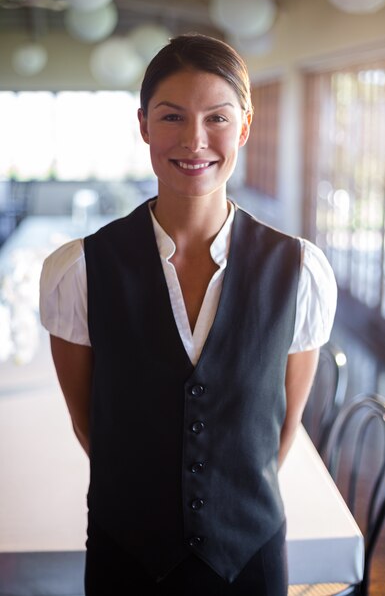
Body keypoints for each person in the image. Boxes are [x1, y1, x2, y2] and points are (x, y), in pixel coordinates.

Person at [39, 33, 337, 596]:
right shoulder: (79, 268)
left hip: (249, 555)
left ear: (244, 127)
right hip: (126, 553)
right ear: (144, 125)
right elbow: (90, 425)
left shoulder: (299, 270)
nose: (195, 140)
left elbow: (281, 428)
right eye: (172, 117)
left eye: (217, 118)